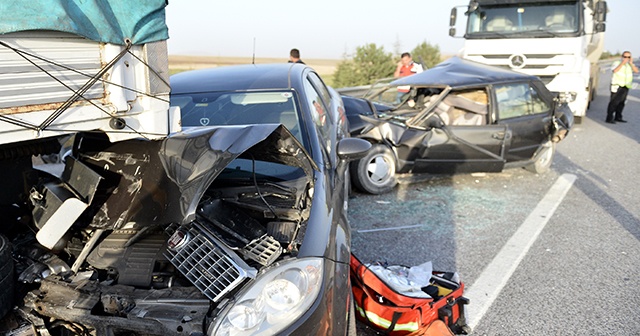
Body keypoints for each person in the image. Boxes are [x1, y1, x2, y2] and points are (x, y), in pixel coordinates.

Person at [606, 51, 638, 124]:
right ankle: (609, 118)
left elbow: (636, 71)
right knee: (614, 102)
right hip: (617, 85)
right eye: (625, 57)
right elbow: (615, 70)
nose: (627, 58)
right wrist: (622, 63)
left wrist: (631, 64)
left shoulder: (630, 65)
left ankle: (618, 117)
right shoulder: (617, 63)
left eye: (628, 57)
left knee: (621, 102)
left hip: (626, 86)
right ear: (622, 57)